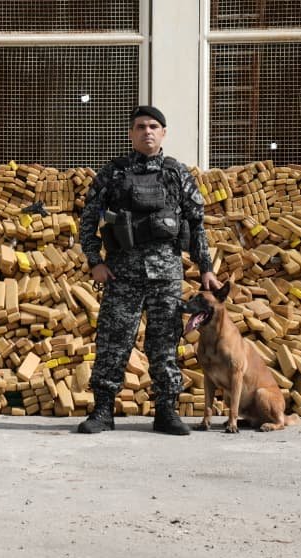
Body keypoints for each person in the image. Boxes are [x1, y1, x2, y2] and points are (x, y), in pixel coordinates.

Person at [77, 105, 220, 435]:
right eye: (140, 126)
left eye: (154, 126)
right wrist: (95, 262)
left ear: (164, 133)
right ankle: (102, 411)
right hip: (122, 274)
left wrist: (206, 268)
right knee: (113, 343)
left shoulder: (177, 174)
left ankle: (166, 411)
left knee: (165, 345)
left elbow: (196, 224)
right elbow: (88, 220)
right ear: (131, 133)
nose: (147, 132)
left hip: (167, 275)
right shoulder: (112, 173)